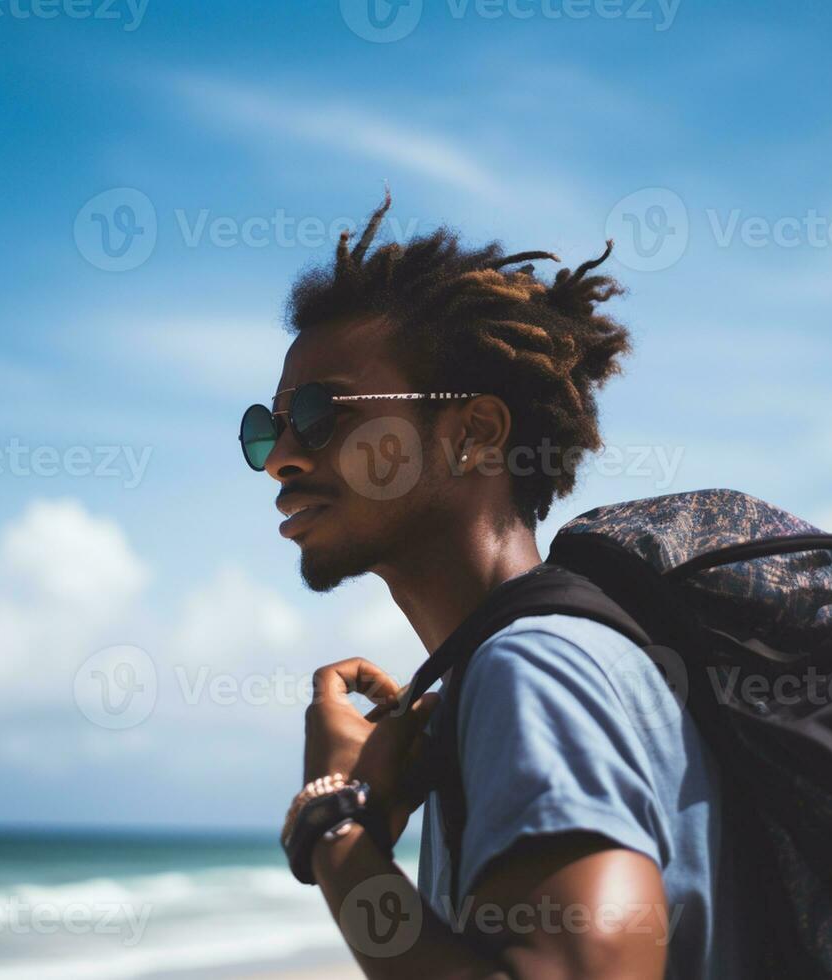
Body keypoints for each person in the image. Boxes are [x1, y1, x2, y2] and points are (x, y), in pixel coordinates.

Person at [246, 191, 743, 978]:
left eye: (322, 412)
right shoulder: (494, 680)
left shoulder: (534, 670)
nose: (281, 458)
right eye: (267, 428)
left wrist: (331, 825)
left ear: (472, 434)